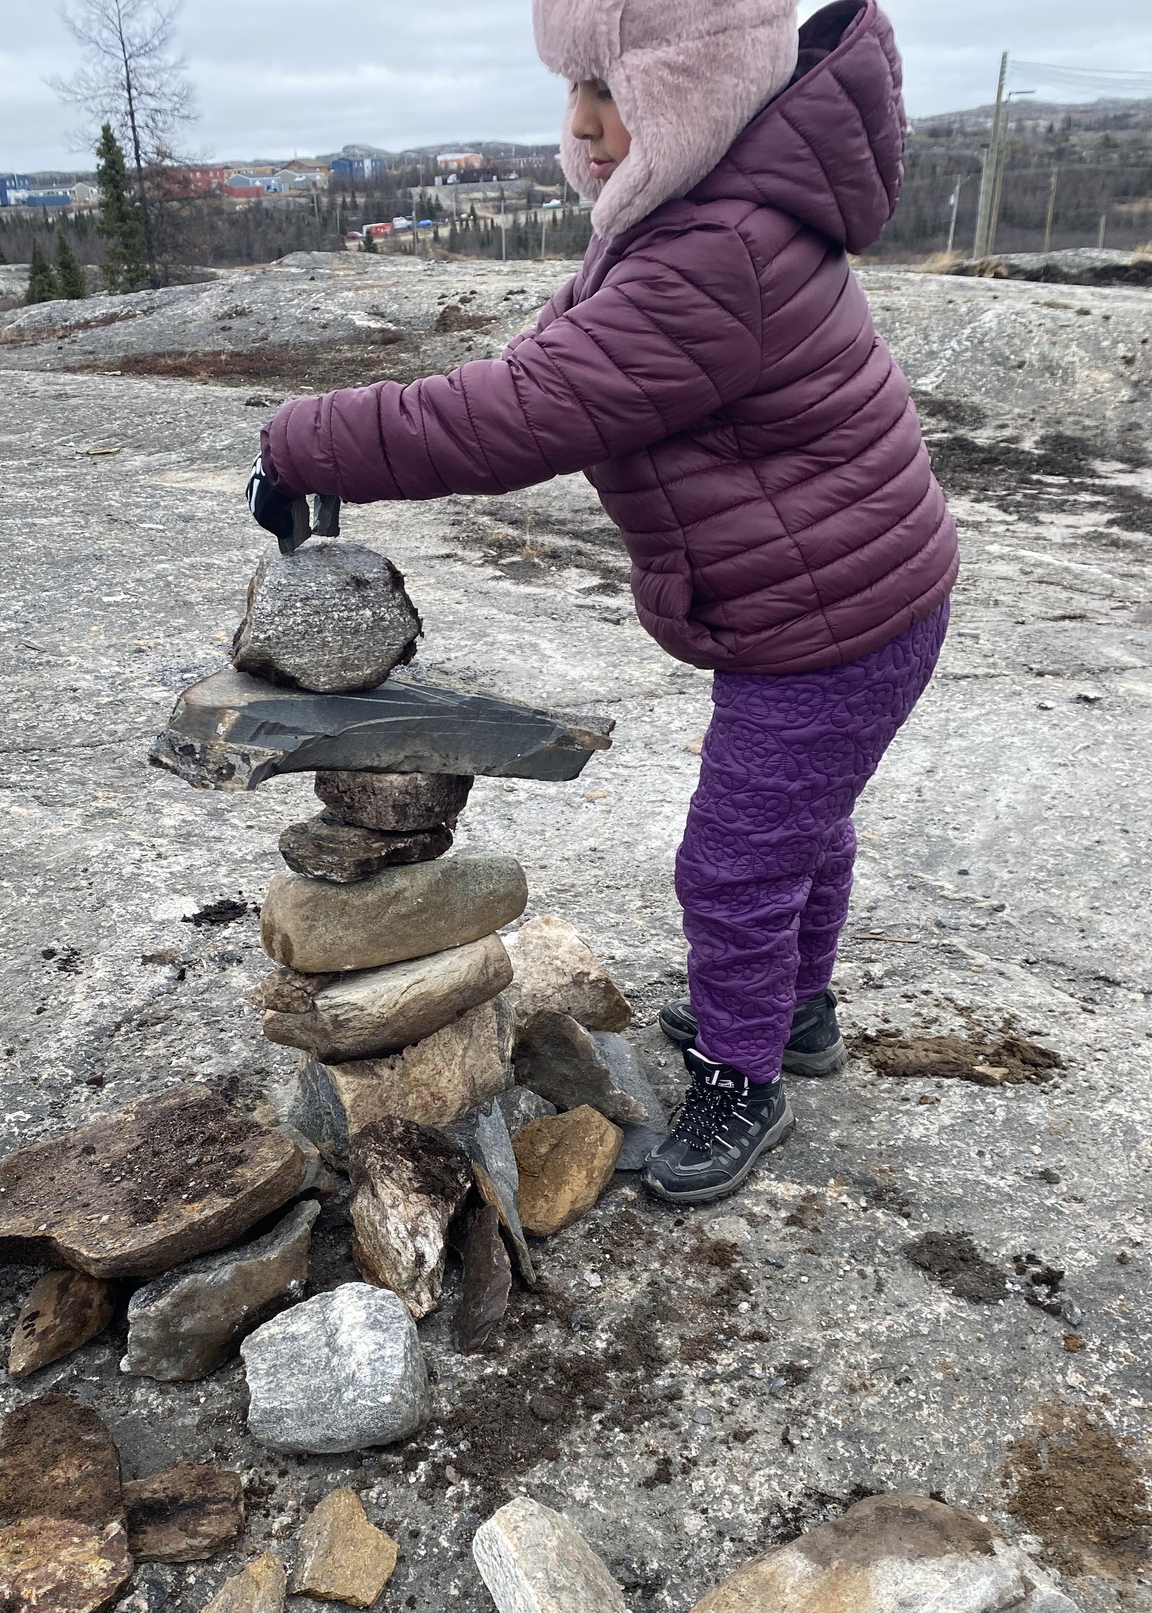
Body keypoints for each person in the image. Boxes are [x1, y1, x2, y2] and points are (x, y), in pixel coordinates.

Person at [246, 0, 959, 1206]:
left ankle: (747, 1076)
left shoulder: (717, 251)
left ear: (700, 91)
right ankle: (800, 1011)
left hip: (834, 621)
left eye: (613, 93)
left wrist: (308, 438)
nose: (584, 129)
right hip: (849, 596)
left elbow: (522, 411)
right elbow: (558, 347)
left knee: (735, 863)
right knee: (799, 826)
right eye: (574, 93)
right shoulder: (701, 208)